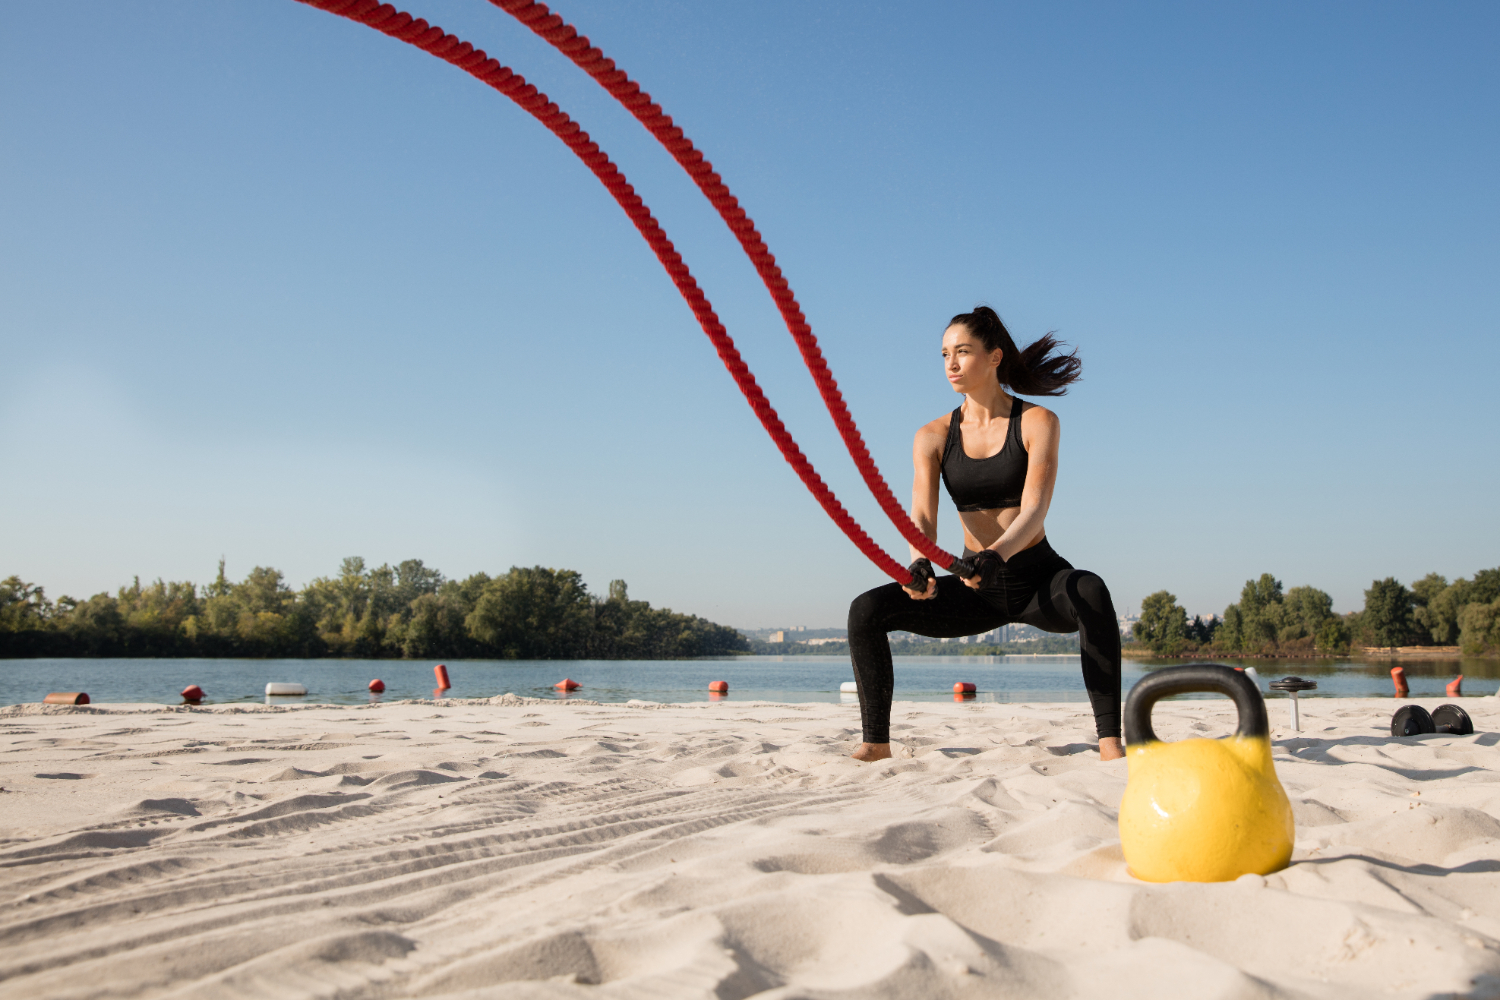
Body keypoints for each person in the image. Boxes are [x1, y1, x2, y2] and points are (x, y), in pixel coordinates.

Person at [846, 306, 1124, 762]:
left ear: (994, 357)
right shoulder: (933, 435)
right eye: (944, 354)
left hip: (1037, 581)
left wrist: (996, 554)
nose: (950, 364)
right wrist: (918, 561)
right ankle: (876, 743)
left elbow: (1034, 509)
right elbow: (921, 513)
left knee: (1090, 589)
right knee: (866, 611)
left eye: (963, 352)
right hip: (976, 590)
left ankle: (1110, 741)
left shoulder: (1037, 422)